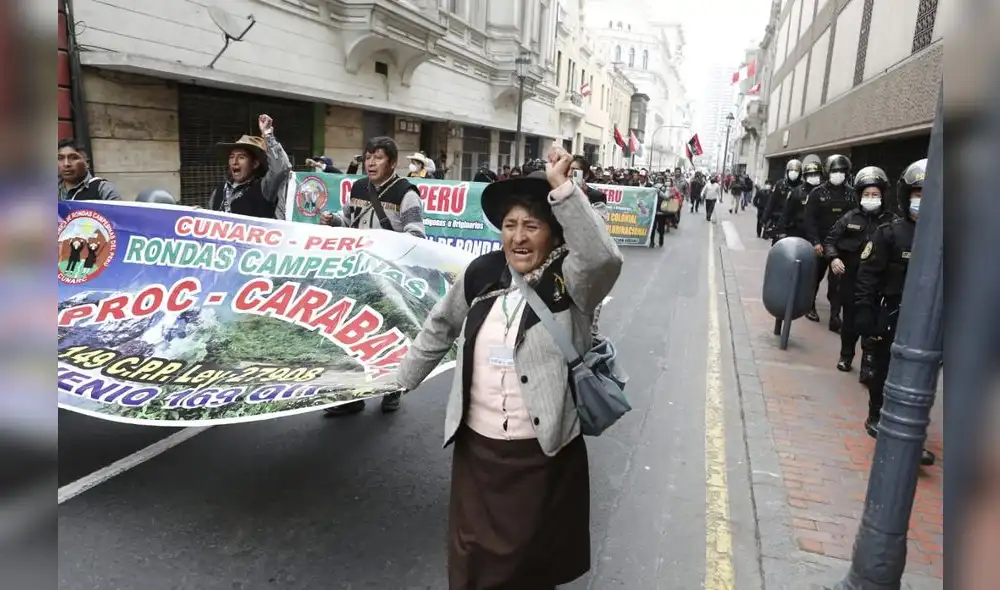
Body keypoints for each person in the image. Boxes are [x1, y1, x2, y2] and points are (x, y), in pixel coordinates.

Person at [396, 146, 623, 589]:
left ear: (553, 234)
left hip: (540, 455)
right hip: (478, 454)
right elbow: (441, 325)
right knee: (472, 558)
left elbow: (604, 259)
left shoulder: (573, 282)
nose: (518, 237)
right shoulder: (482, 273)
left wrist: (563, 189)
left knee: (529, 567)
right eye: (510, 225)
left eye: (532, 226)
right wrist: (402, 379)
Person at [320, 135, 426, 416]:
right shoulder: (358, 187)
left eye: (378, 157)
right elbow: (348, 220)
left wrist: (384, 244)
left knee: (388, 334)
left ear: (392, 162)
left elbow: (416, 235)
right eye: (368, 157)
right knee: (350, 334)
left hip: (389, 278)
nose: (371, 163)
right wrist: (333, 221)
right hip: (357, 274)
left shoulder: (406, 193)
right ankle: (351, 397)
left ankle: (392, 389)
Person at [854, 158, 935, 466]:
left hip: (927, 320)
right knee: (883, 368)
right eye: (918, 194)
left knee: (922, 377)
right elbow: (867, 275)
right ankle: (876, 415)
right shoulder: (890, 233)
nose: (922, 200)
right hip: (890, 313)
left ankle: (913, 434)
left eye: (929, 194)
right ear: (906, 195)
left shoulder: (943, 235)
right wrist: (865, 312)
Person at [824, 166, 896, 373]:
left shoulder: (891, 222)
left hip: (878, 284)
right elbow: (830, 241)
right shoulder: (849, 218)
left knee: (873, 325)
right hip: (851, 280)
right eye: (866, 194)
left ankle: (868, 364)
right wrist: (834, 258)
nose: (870, 198)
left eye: (875, 194)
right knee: (849, 323)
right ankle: (846, 356)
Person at [804, 154, 856, 329]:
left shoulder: (851, 194)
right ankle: (810, 306)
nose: (838, 174)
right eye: (835, 171)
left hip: (840, 246)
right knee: (815, 278)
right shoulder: (817, 193)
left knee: (837, 283)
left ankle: (835, 316)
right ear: (828, 172)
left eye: (842, 171)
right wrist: (815, 242)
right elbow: (809, 220)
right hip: (820, 244)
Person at [209, 114, 292, 218]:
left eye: (241, 157)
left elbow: (281, 168)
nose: (234, 162)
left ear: (255, 164)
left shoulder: (265, 188)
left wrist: (268, 134)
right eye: (231, 157)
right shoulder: (219, 191)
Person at [58, 139, 123, 201]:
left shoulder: (103, 189)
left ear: (87, 163)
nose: (66, 164)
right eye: (60, 158)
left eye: (73, 158)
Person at [781, 154, 823, 241]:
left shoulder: (824, 191)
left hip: (818, 233)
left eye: (816, 174)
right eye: (810, 174)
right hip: (798, 231)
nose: (813, 176)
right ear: (805, 176)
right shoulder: (797, 191)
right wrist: (782, 230)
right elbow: (787, 212)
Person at [763, 159, 802, 243]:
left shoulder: (802, 187)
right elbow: (771, 202)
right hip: (780, 221)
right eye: (791, 170)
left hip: (795, 225)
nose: (793, 172)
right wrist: (765, 218)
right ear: (787, 171)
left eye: (796, 170)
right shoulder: (780, 184)